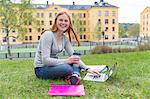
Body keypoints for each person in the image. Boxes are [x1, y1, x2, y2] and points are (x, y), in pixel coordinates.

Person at [34, 11, 99, 85]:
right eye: (61, 20)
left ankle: (74, 76)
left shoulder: (64, 38)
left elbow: (74, 57)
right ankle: (74, 73)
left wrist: (88, 69)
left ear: (69, 24)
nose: (63, 23)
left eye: (66, 21)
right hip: (41, 69)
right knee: (67, 68)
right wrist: (66, 61)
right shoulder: (48, 35)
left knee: (76, 63)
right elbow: (45, 60)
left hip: (53, 66)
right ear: (56, 21)